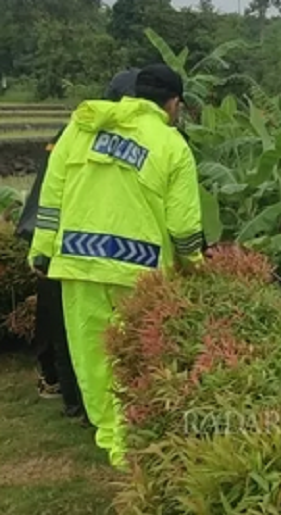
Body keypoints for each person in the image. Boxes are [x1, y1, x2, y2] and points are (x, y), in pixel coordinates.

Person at [27, 63, 204, 469]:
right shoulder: (171, 144)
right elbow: (183, 225)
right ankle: (135, 441)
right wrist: (194, 266)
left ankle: (112, 442)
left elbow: (51, 196)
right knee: (139, 357)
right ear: (173, 103)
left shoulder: (82, 127)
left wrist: (42, 249)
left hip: (77, 263)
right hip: (139, 274)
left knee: (93, 357)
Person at [16, 69, 139, 421]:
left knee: (67, 326)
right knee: (67, 327)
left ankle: (74, 398)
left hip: (62, 240)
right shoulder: (82, 134)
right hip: (64, 240)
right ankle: (72, 396)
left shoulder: (82, 131)